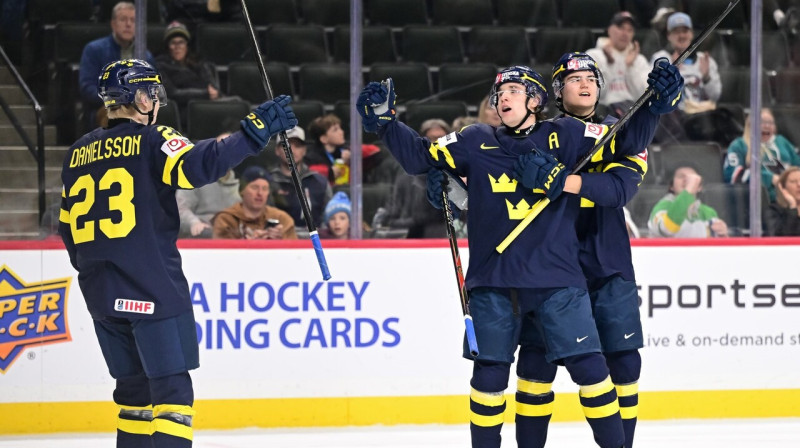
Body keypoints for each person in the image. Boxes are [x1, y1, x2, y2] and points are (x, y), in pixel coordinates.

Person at [357, 59, 679, 447]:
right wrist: (387, 123)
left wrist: (655, 106)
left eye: (512, 90)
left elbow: (624, 141)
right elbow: (419, 157)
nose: (502, 97)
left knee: (594, 369)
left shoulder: (568, 133)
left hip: (559, 281)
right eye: (499, 93)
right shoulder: (474, 139)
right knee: (491, 378)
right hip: (494, 281)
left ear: (536, 99)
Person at [58, 58, 297, 448]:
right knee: (172, 400)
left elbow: (68, 228)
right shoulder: (152, 141)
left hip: (101, 295)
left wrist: (100, 271)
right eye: (151, 93)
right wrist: (252, 133)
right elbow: (197, 166)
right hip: (151, 290)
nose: (155, 101)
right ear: (136, 96)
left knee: (133, 399)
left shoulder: (77, 153)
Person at [79, 2, 155, 131]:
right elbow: (87, 87)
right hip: (107, 107)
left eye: (133, 20)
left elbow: (153, 88)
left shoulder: (145, 55)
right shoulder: (94, 49)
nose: (128, 24)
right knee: (117, 115)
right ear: (113, 24)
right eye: (123, 19)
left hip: (138, 107)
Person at [723, 108, 800, 203]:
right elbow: (733, 176)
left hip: (793, 200)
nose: (767, 126)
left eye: (771, 123)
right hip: (761, 203)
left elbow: (797, 166)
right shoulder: (739, 145)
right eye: (762, 122)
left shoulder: (782, 142)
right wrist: (769, 178)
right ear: (750, 125)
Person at [154, 21, 221, 126]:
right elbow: (172, 93)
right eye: (173, 43)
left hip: (206, 105)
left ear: (187, 45)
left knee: (236, 103)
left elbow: (213, 88)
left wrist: (211, 93)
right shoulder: (160, 66)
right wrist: (204, 94)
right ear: (168, 46)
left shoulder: (198, 63)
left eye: (181, 42)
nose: (177, 47)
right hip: (183, 110)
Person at [175, 132, 240, 238]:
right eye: (221, 147)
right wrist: (194, 223)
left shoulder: (241, 184)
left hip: (231, 238)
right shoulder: (194, 176)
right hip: (201, 237)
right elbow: (180, 209)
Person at [585, 12, 650, 116]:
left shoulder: (639, 59)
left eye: (630, 30)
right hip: (604, 109)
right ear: (609, 30)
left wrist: (630, 67)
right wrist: (609, 65)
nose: (625, 33)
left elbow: (643, 95)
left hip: (632, 108)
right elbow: (596, 94)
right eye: (621, 28)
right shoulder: (593, 55)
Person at [268, 126, 332, 230]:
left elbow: (330, 218)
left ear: (304, 150)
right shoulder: (268, 182)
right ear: (277, 150)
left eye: (297, 146)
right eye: (286, 145)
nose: (291, 150)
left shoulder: (320, 182)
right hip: (278, 241)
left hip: (314, 241)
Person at [213, 165, 298, 239]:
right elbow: (221, 253)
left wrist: (281, 240)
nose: (260, 193)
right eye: (254, 187)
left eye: (264, 189)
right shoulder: (226, 219)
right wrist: (248, 244)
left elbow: (296, 253)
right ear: (242, 190)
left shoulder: (282, 218)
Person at [648, 164, 730, 238]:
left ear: (699, 187)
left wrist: (723, 235)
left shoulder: (708, 212)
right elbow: (667, 229)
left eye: (692, 178)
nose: (686, 180)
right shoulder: (662, 206)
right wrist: (689, 189)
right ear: (671, 186)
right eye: (681, 176)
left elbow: (718, 247)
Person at [764, 166, 800, 236]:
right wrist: (792, 207)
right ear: (782, 187)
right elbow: (780, 237)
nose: (799, 185)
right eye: (793, 182)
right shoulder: (773, 211)